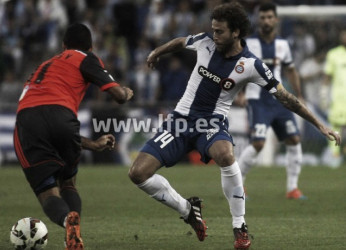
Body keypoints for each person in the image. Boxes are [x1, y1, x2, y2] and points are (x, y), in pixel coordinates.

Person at [128, 2, 340, 250]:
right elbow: (180, 41)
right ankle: (187, 209)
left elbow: (286, 97)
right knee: (138, 174)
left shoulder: (251, 65)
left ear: (236, 32)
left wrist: (319, 125)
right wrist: (157, 52)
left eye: (220, 31)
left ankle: (239, 226)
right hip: (180, 120)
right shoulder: (205, 42)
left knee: (226, 155)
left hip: (211, 122)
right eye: (213, 30)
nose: (214, 36)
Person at [14, 23, 133, 250]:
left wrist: (94, 144)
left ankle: (66, 220)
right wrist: (126, 92)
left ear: (63, 45)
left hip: (26, 120)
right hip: (62, 115)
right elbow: (117, 96)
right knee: (68, 182)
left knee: (47, 193)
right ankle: (74, 223)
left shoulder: (45, 65)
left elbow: (46, 117)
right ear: (90, 46)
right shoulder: (85, 57)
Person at [237, 3, 307, 200]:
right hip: (256, 99)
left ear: (276, 20)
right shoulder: (247, 44)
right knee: (258, 142)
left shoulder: (283, 45)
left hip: (280, 100)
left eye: (270, 17)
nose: (266, 21)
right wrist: (239, 93)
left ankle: (292, 188)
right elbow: (237, 71)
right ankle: (238, 185)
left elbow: (291, 70)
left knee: (294, 139)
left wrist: (299, 95)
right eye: (263, 17)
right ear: (258, 20)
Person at [322, 29, 346, 167]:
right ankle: (335, 157)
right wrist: (324, 95)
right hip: (338, 99)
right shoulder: (333, 54)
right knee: (335, 128)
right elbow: (326, 77)